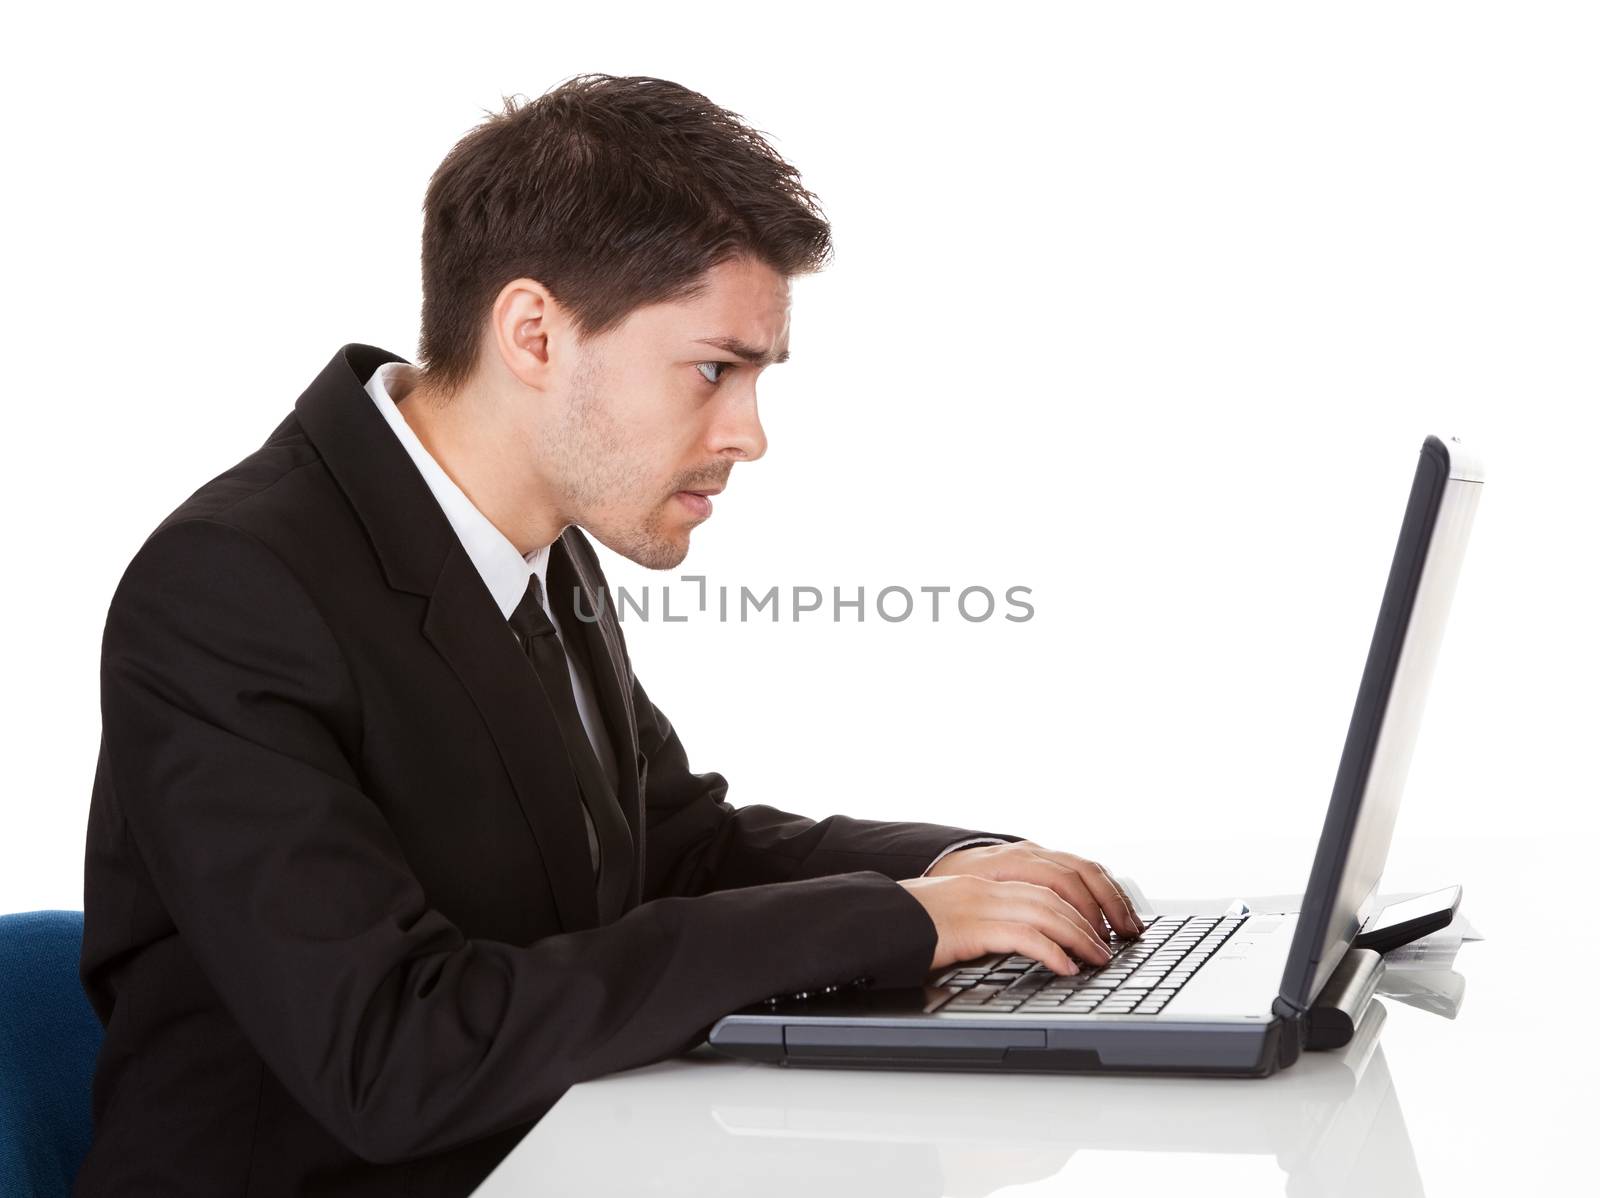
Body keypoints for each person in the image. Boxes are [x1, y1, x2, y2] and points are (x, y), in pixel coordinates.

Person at [75, 74, 1143, 1196]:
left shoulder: (540, 538)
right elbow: (394, 1052)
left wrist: (959, 870)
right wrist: (889, 923)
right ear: (535, 333)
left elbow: (667, 848)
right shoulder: (233, 587)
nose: (749, 434)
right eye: (713, 370)